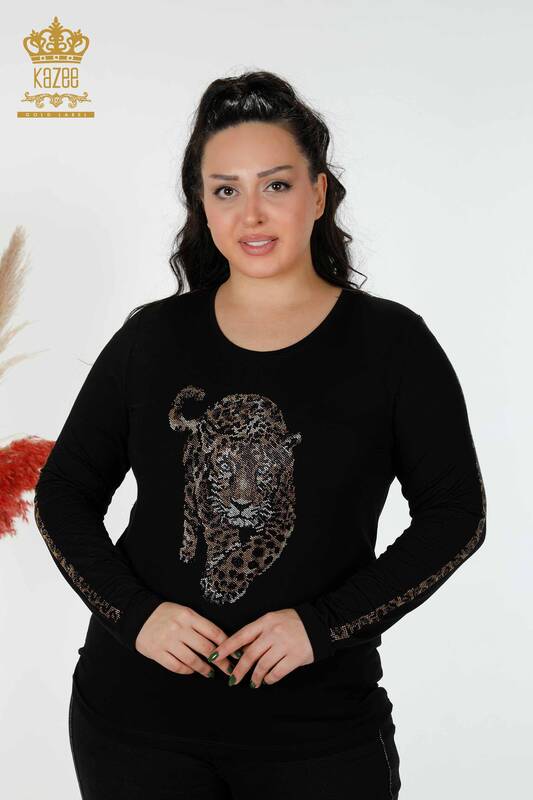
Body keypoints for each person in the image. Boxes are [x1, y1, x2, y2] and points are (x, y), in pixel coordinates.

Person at [34, 70, 486, 799]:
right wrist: (134, 616)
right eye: (225, 190)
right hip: (133, 725)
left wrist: (323, 626)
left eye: (276, 185)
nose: (251, 213)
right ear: (202, 207)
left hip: (318, 736)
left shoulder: (392, 345)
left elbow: (456, 516)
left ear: (318, 194)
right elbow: (63, 491)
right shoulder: (151, 339)